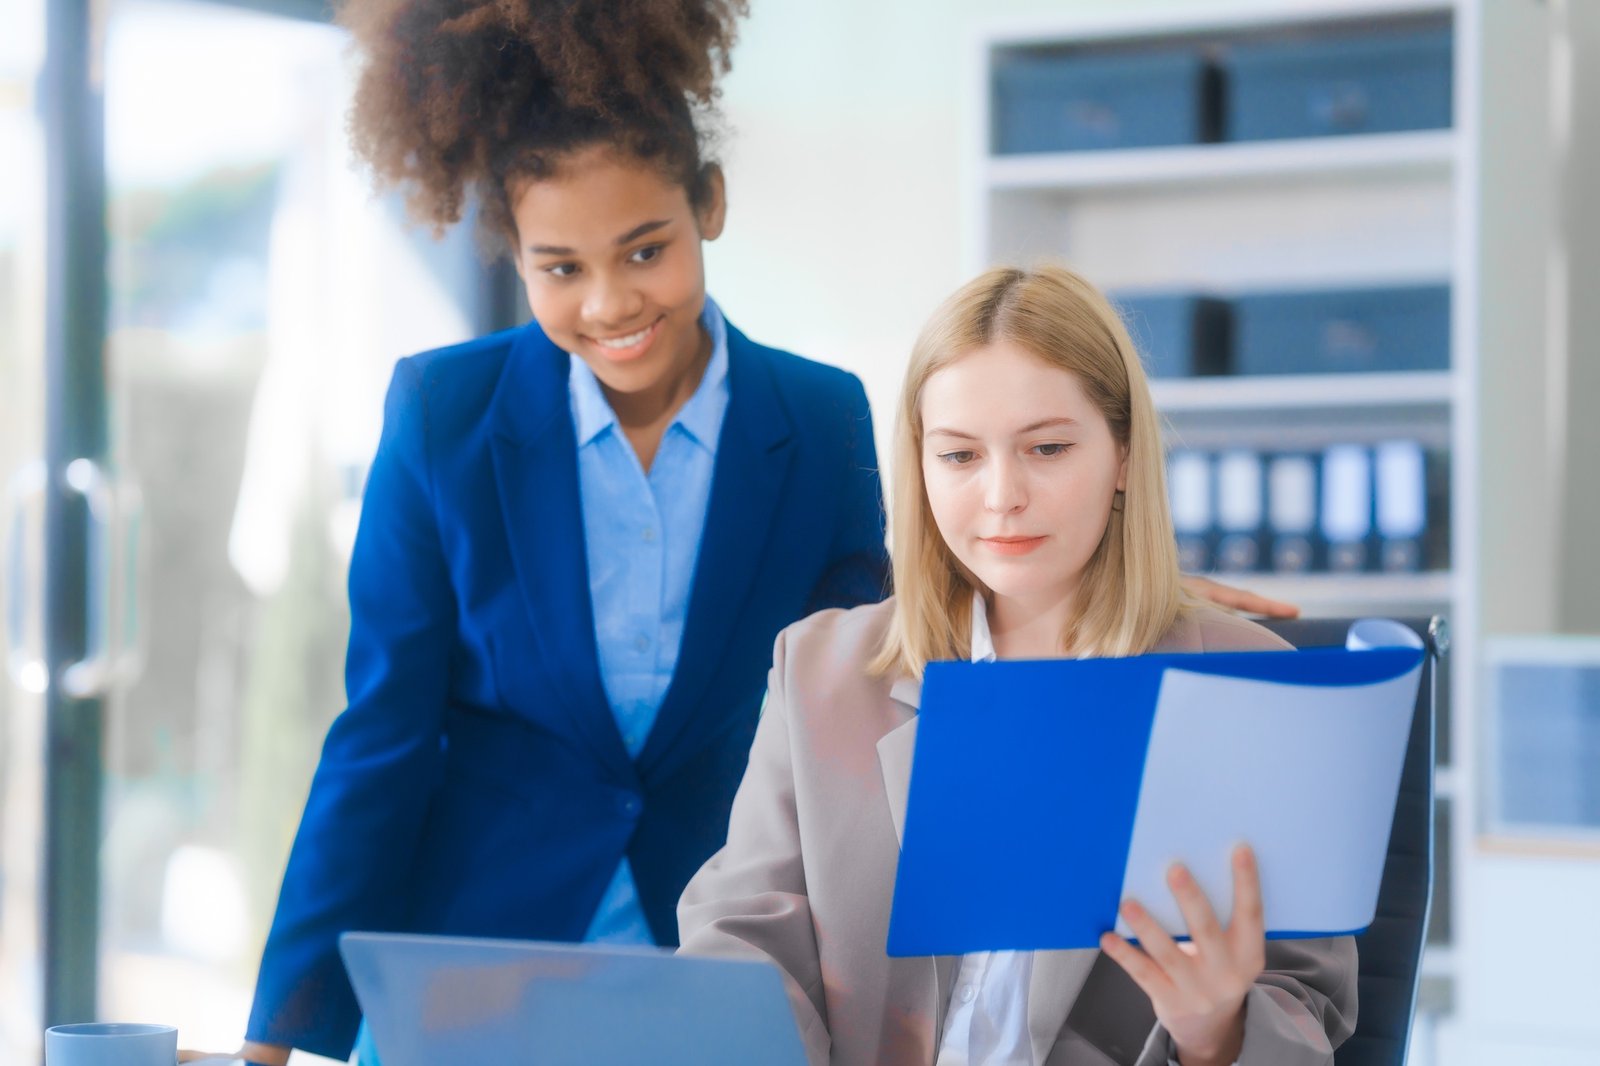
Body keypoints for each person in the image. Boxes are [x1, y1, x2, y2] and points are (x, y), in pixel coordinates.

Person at [193, 4, 1296, 1061]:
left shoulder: (813, 419)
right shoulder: (444, 416)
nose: (612, 303)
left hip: (715, 954)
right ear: (511, 254)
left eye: (645, 249)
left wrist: (1126, 571)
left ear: (708, 206)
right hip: (485, 947)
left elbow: (898, 624)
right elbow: (381, 734)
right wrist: (279, 1030)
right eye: (559, 268)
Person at [677, 264, 1356, 1066]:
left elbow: (1310, 1012)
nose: (1002, 495)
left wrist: (1218, 1030)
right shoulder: (821, 668)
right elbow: (738, 937)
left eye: (1049, 448)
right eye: (960, 457)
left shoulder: (1245, 688)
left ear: (1125, 457)